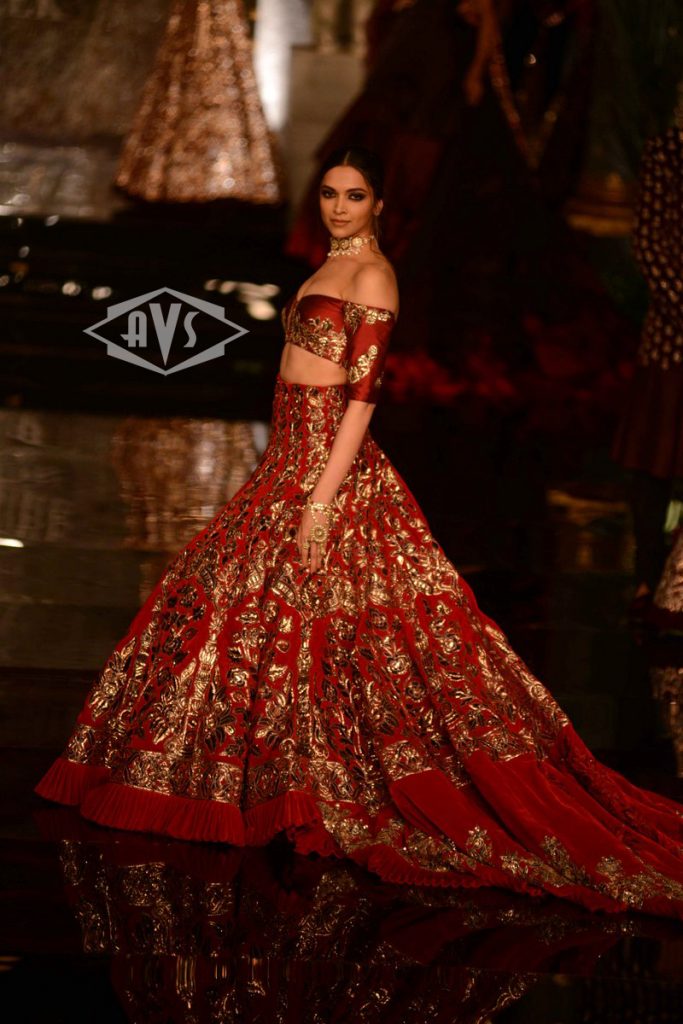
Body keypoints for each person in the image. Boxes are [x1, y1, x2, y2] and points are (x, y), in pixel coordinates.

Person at [36, 146, 683, 920]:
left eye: (354, 196)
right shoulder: (333, 264)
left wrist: (319, 500)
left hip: (324, 464)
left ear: (379, 204)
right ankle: (232, 773)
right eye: (330, 194)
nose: (338, 207)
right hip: (288, 455)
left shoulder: (373, 275)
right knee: (230, 607)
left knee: (331, 623)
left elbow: (363, 399)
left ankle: (293, 777)